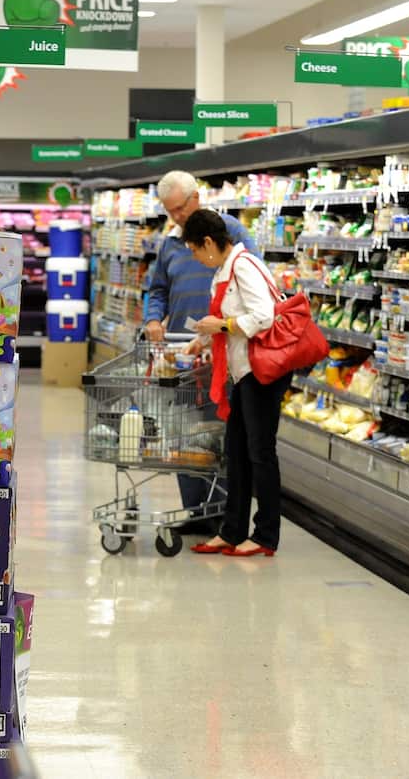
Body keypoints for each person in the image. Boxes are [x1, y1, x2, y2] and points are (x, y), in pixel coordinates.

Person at [144, 170, 257, 529]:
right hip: (181, 353)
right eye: (169, 211)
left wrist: (222, 326)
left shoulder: (232, 233)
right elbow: (157, 289)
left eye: (179, 208)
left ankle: (222, 514)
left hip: (222, 352)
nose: (176, 217)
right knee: (183, 434)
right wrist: (152, 319)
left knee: (218, 435)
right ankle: (195, 512)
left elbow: (250, 280)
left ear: (196, 197)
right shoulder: (170, 243)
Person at [180, 209, 290, 557]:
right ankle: (232, 530)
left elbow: (263, 316)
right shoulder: (226, 269)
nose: (195, 258)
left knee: (260, 453)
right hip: (245, 371)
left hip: (263, 372)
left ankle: (265, 536)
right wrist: (205, 337)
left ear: (209, 242)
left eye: (196, 250)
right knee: (237, 452)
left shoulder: (243, 266)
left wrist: (221, 326)